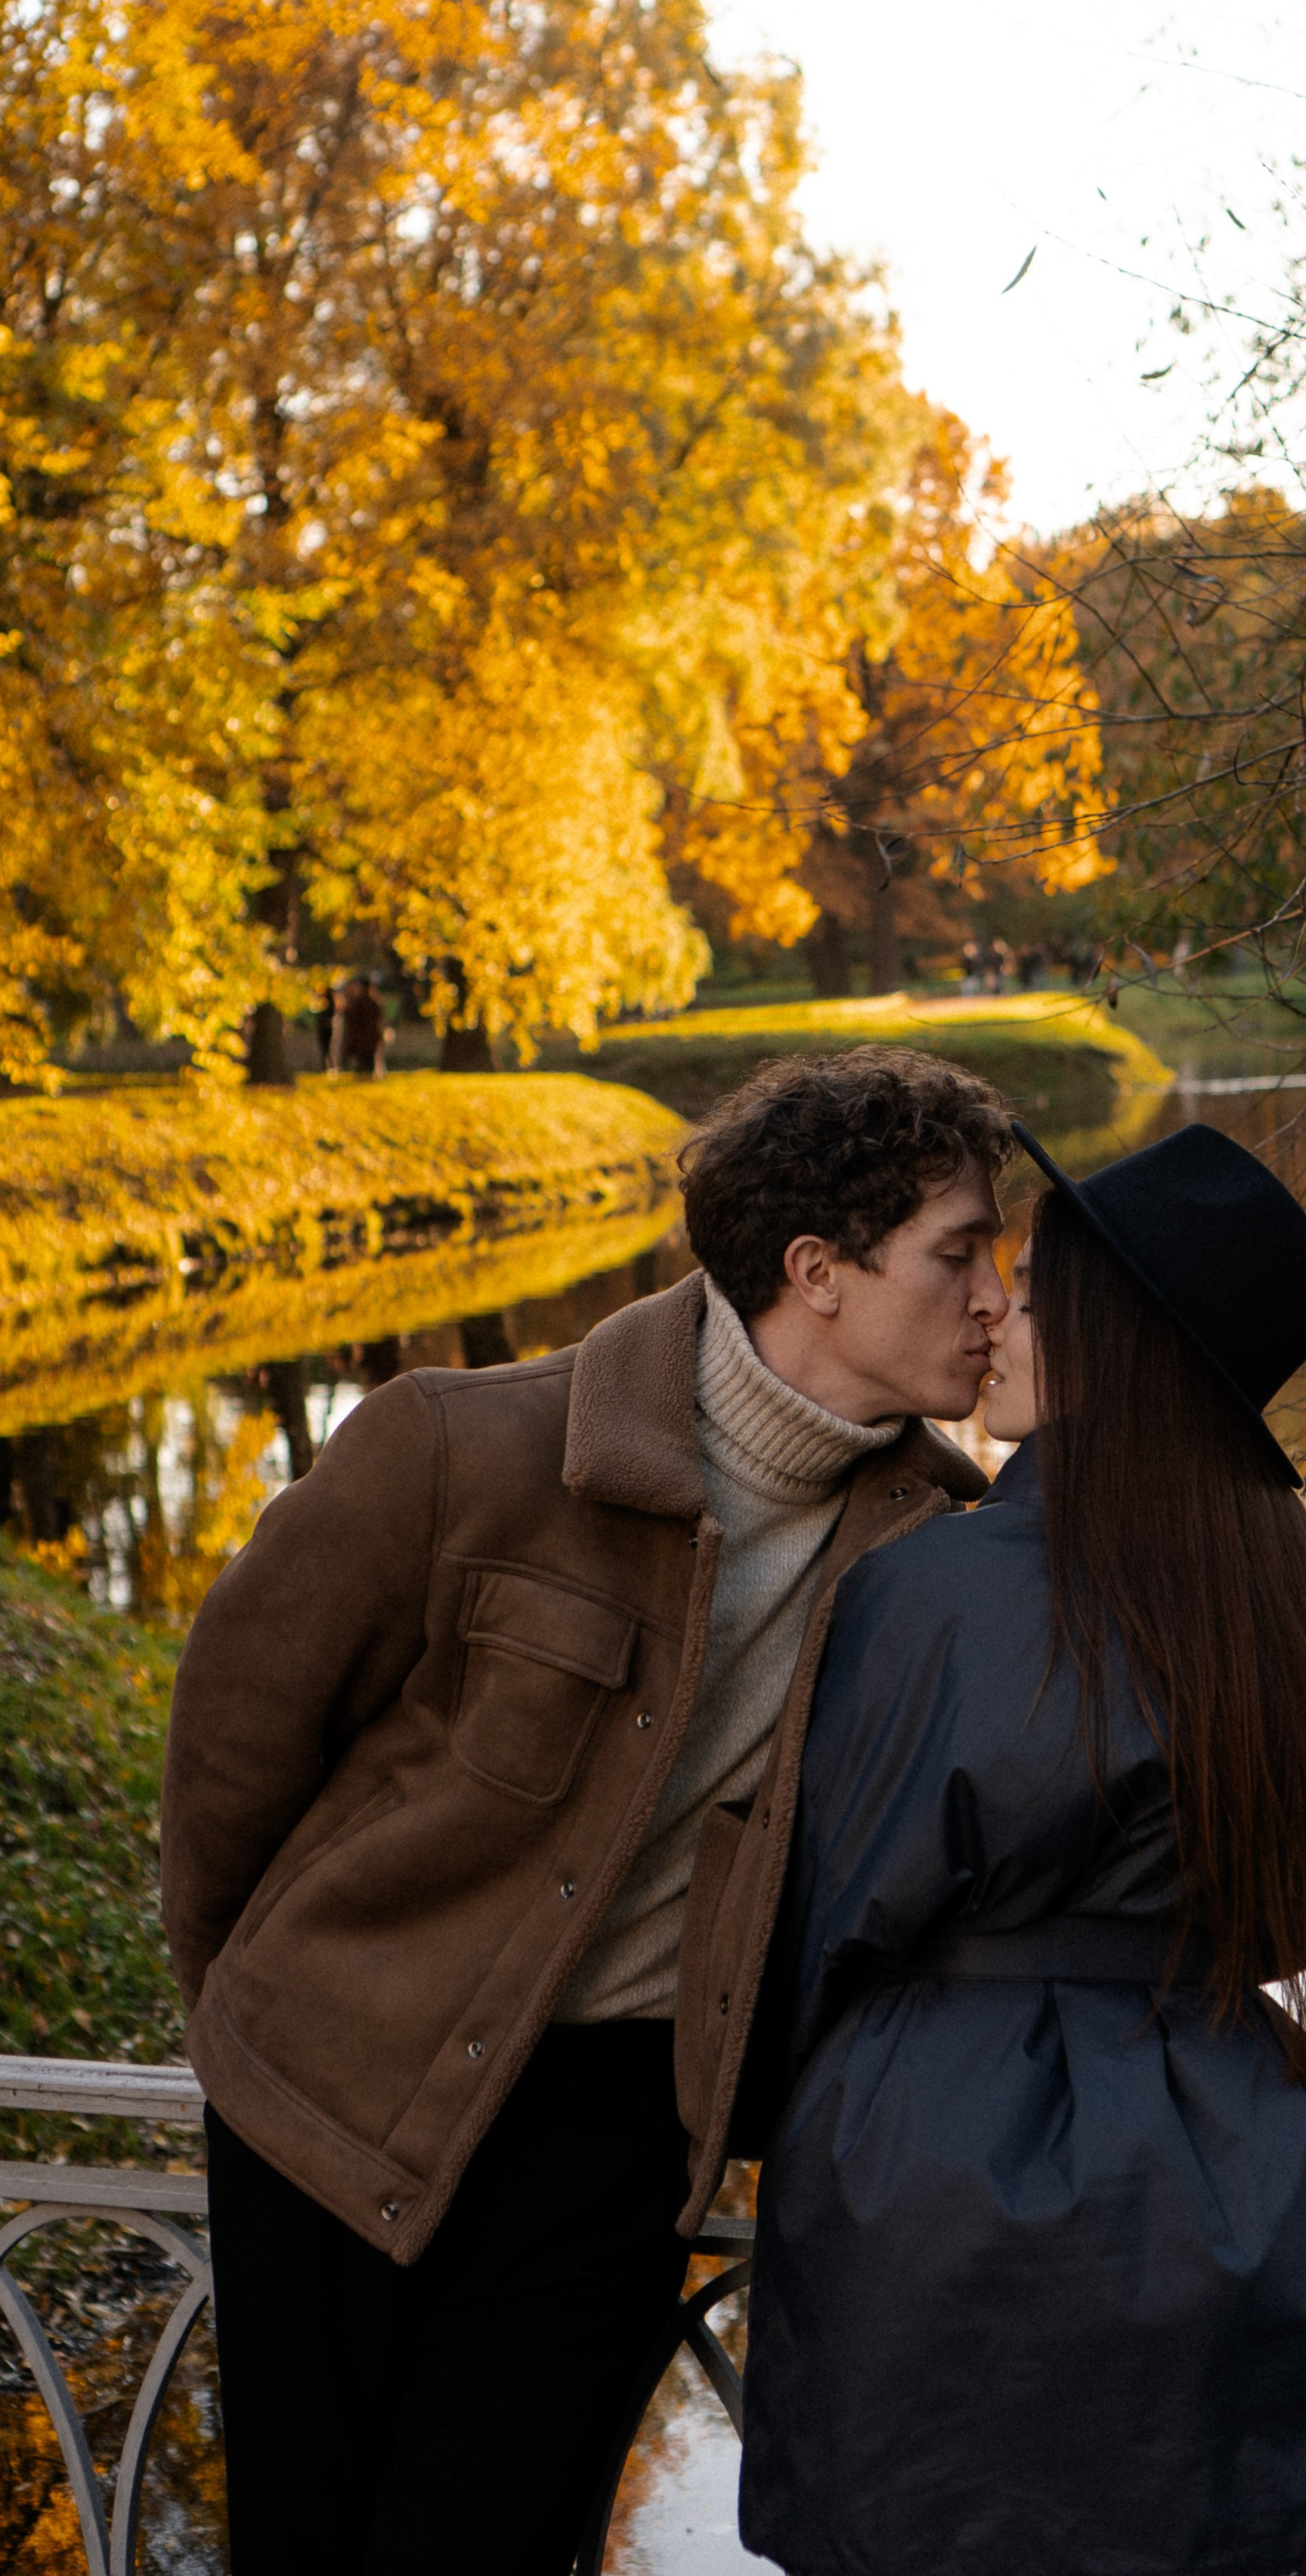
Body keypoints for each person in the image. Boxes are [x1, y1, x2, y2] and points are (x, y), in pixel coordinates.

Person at [159, 1049, 1013, 2576]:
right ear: (815, 1272)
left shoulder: (939, 1557)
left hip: (615, 2154)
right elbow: (237, 1743)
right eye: (959, 1252)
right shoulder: (455, 1445)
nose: (994, 1296)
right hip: (333, 2089)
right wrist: (251, 2018)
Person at [739, 1121, 1306, 2576]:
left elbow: (831, 1905)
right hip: (1231, 2161)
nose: (994, 1314)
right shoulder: (1291, 1595)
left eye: (1031, 1289)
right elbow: (1302, 1907)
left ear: (1111, 1339)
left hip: (937, 2185)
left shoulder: (939, 1591)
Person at [339, 971, 388, 1076]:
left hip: (360, 1039)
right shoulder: (375, 1002)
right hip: (372, 1038)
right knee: (368, 1061)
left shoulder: (358, 1002)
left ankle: (362, 1078)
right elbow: (380, 1020)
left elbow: (351, 1020)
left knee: (363, 1063)